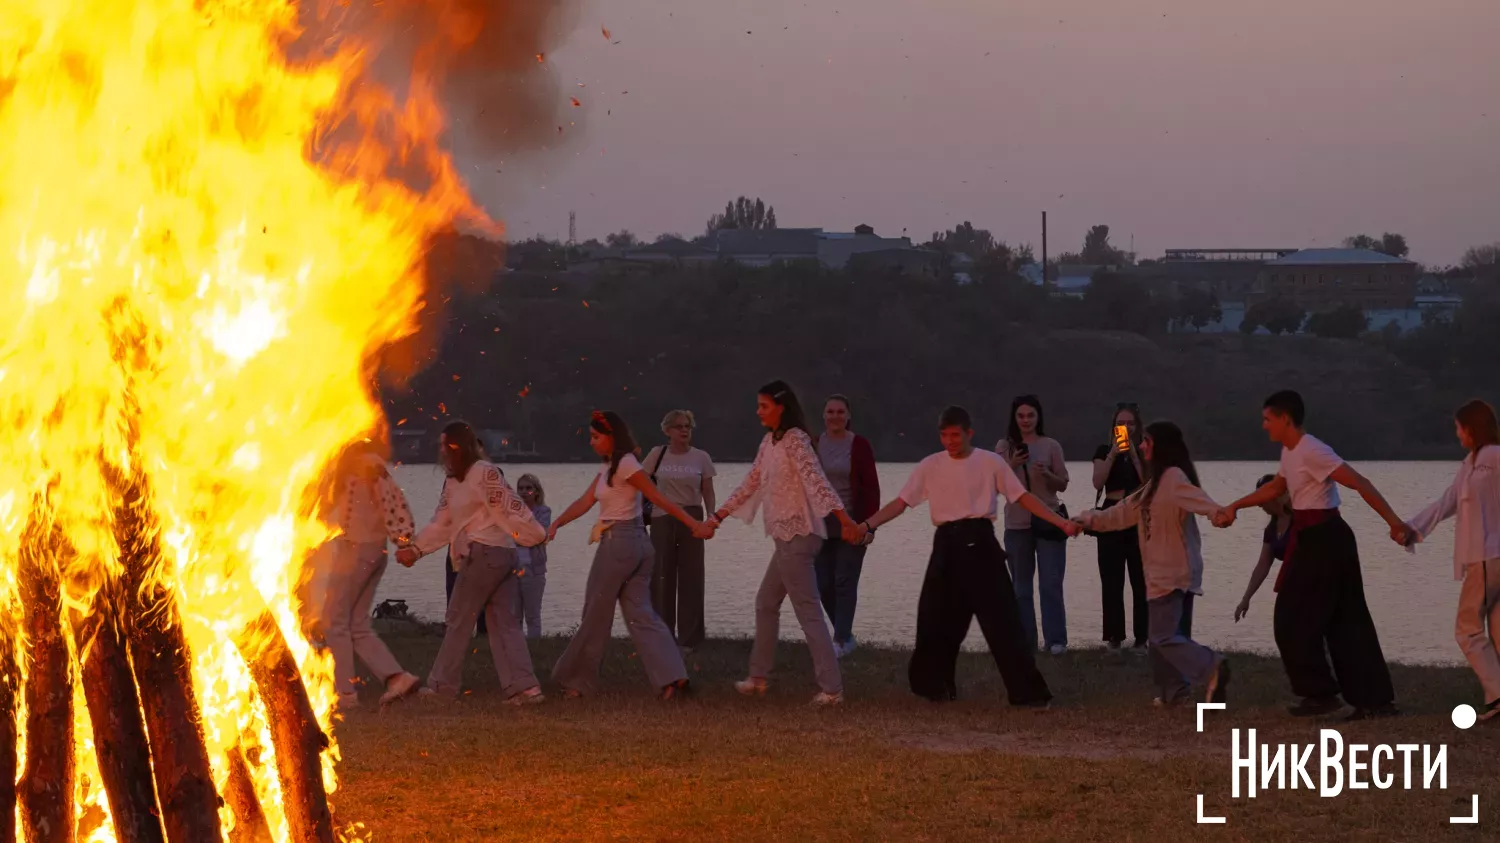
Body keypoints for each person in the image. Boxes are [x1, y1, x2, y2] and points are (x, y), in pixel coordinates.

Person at [857, 406, 1072, 707]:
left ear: (968, 433)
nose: (950, 441)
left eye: (955, 435)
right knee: (935, 617)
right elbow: (901, 503)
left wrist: (1060, 522)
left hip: (980, 542)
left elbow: (1022, 497)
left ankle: (1030, 695)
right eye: (944, 435)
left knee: (1003, 623)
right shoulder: (930, 465)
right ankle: (936, 688)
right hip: (946, 543)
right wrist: (867, 524)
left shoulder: (990, 462)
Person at [1217, 390, 1408, 720]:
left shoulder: (1313, 450)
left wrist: (1394, 523)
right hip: (1312, 538)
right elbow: (1276, 488)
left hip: (1328, 539)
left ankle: (1329, 696)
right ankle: (1370, 701)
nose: (1264, 426)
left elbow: (1359, 482)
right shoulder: (1290, 452)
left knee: (1299, 617)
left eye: (1267, 419)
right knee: (1339, 621)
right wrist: (1235, 505)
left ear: (1285, 419)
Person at [707, 381, 862, 706]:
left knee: (808, 611)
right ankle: (758, 677)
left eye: (763, 406)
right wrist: (717, 517)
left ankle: (832, 689)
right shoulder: (769, 442)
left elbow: (817, 481)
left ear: (780, 407)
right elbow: (752, 481)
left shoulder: (797, 441)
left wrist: (846, 520)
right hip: (783, 538)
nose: (758, 411)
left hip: (799, 536)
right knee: (766, 602)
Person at [548, 411, 707, 700]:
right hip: (635, 546)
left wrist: (694, 523)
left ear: (611, 437)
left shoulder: (626, 464)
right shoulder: (609, 468)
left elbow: (658, 498)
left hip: (619, 544)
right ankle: (673, 678)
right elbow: (584, 502)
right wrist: (556, 524)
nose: (592, 442)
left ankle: (576, 682)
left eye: (596, 437)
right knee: (642, 615)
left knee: (595, 613)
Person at [1075, 422, 1232, 707]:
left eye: (1146, 441)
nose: (1142, 445)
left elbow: (1202, 501)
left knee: (1161, 637)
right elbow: (1123, 512)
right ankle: (1175, 694)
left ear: (1161, 446)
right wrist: (1087, 519)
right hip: (1163, 572)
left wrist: (1218, 514)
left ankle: (1212, 666)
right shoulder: (1155, 485)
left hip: (1172, 572)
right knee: (1163, 642)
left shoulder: (1173, 478)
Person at [395, 421, 547, 704]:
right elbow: (444, 522)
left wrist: (534, 533)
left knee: (458, 619)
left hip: (484, 554)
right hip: (502, 556)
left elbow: (510, 506)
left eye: (444, 445)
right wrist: (416, 550)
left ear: (456, 446)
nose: (440, 451)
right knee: (505, 622)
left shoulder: (484, 473)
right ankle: (526, 689)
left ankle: (442, 687)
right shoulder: (456, 481)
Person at [1403, 400, 1500, 722]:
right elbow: (1448, 501)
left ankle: (1498, 695)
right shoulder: (1470, 464)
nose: (1457, 434)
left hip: (1487, 557)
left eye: (1459, 428)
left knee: (1467, 629)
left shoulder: (1492, 459)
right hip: (1486, 557)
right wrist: (1412, 529)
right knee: (1497, 631)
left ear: (1471, 428)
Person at [323, 439, 422, 711]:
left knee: (335, 621)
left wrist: (403, 540)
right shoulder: (369, 465)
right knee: (356, 624)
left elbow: (388, 503)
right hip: (374, 549)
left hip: (357, 549)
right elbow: (394, 505)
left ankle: (344, 694)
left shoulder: (362, 466)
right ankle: (397, 677)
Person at [996, 395, 1071, 655]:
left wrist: (1047, 474)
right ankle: (1025, 642)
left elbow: (1062, 483)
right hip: (1017, 524)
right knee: (1020, 588)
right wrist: (1012, 464)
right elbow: (994, 484)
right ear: (1014, 418)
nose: (1026, 420)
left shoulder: (1051, 445)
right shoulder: (1004, 447)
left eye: (1030, 415)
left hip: (1049, 520)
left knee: (1050, 584)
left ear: (1038, 417)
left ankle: (1056, 642)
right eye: (1021, 416)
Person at [642, 410, 717, 652]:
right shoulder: (657, 454)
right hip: (662, 518)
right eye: (678, 427)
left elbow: (708, 490)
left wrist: (711, 516)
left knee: (692, 577)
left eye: (687, 426)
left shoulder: (701, 457)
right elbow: (640, 484)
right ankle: (662, 635)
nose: (684, 430)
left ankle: (690, 639)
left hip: (692, 518)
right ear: (667, 431)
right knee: (661, 577)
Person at [813, 394, 881, 658]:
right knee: (823, 585)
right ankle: (847, 635)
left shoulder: (859, 445)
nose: (835, 416)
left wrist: (869, 526)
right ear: (823, 415)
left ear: (849, 416)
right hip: (819, 525)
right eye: (830, 412)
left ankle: (840, 640)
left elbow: (872, 488)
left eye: (840, 412)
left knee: (844, 580)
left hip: (852, 523)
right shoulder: (814, 444)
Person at [1092, 402, 1149, 651]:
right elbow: (1097, 482)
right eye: (1120, 424)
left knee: (1141, 579)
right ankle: (1114, 636)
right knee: (1112, 580)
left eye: (1129, 424)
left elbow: (1149, 482)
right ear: (1113, 427)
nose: (1125, 428)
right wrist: (1114, 453)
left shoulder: (1145, 450)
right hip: (1111, 515)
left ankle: (1143, 637)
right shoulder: (1104, 450)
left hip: (1137, 517)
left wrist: (1135, 455)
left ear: (1137, 427)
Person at [1233, 475, 1292, 624]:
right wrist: (1246, 599)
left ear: (1275, 495)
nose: (1258, 505)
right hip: (1290, 587)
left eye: (1261, 499)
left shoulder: (1301, 521)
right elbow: (1263, 565)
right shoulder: (1271, 530)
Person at [513, 474, 551, 639]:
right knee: (514, 616)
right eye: (520, 488)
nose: (524, 492)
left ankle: (535, 647)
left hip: (534, 569)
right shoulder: (511, 512)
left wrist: (520, 536)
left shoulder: (543, 511)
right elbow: (508, 536)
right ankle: (516, 649)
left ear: (536, 491)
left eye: (528, 488)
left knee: (533, 614)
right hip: (513, 569)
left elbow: (539, 535)